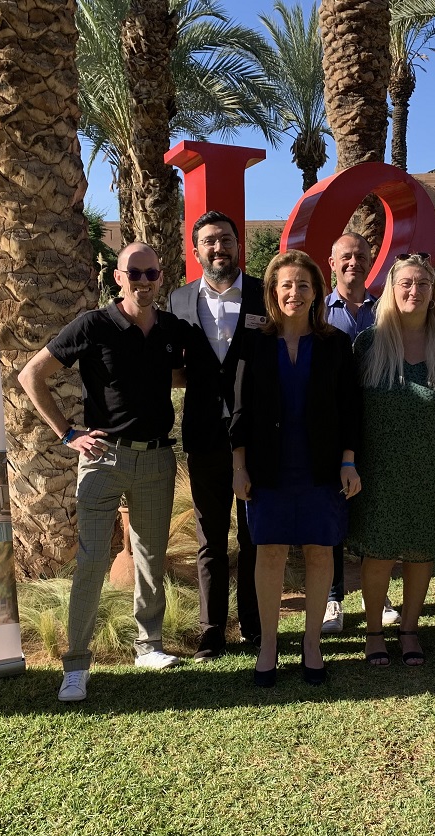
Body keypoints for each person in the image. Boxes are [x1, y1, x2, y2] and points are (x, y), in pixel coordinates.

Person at [19, 241, 186, 702]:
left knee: (151, 556)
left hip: (156, 458)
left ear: (160, 278)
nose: (145, 282)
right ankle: (76, 664)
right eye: (136, 273)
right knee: (92, 559)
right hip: (104, 458)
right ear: (118, 277)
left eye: (152, 273)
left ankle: (148, 645)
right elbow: (31, 374)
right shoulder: (94, 324)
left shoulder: (171, 329)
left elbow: (179, 374)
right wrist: (67, 433)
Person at [230, 250, 362, 687]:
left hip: (320, 469)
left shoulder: (335, 344)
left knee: (319, 552)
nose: (294, 292)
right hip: (268, 469)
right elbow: (239, 409)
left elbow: (350, 409)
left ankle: (311, 643)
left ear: (316, 293)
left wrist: (348, 461)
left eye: (303, 285)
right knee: (269, 553)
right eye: (285, 285)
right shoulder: (253, 342)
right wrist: (239, 467)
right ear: (272, 292)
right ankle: (269, 644)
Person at [347, 253, 435, 667]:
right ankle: (373, 632)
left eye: (423, 284)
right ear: (391, 290)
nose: (414, 291)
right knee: (380, 553)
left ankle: (409, 630)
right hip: (379, 469)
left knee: (422, 553)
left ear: (434, 293)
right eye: (405, 283)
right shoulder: (368, 344)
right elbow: (346, 410)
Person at [170, 211, 263, 661]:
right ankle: (212, 630)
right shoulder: (179, 301)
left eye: (225, 239)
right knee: (210, 538)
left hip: (260, 434)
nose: (218, 247)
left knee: (254, 535)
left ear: (238, 244)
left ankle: (253, 624)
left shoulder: (266, 293)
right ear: (196, 250)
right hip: (205, 434)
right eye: (209, 241)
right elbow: (174, 366)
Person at [320, 231, 399, 634]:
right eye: (345, 256)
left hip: (379, 428)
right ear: (332, 263)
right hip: (332, 432)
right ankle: (334, 599)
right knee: (335, 515)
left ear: (372, 263)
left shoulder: (388, 310)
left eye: (361, 257)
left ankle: (378, 594)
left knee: (373, 515)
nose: (354, 263)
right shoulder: (318, 311)